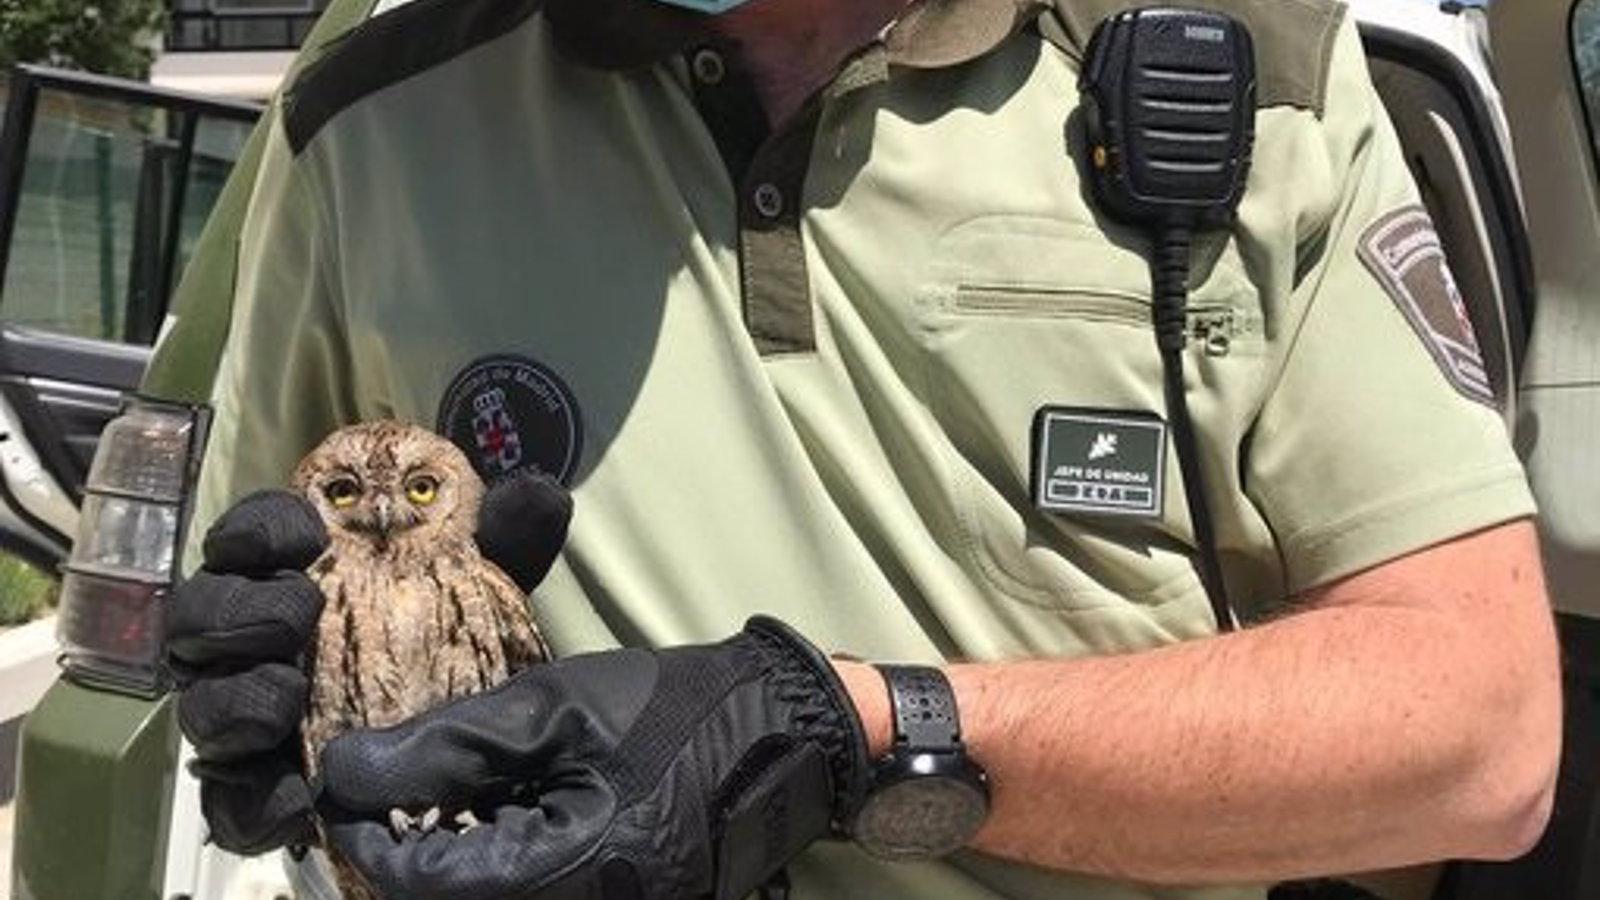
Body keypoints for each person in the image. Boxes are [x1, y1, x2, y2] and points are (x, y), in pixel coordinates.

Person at [163, 0, 1563, 897]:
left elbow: (1481, 736)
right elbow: (268, 591)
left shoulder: (1259, 82)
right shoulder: (379, 114)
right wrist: (262, 685)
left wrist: (850, 741)